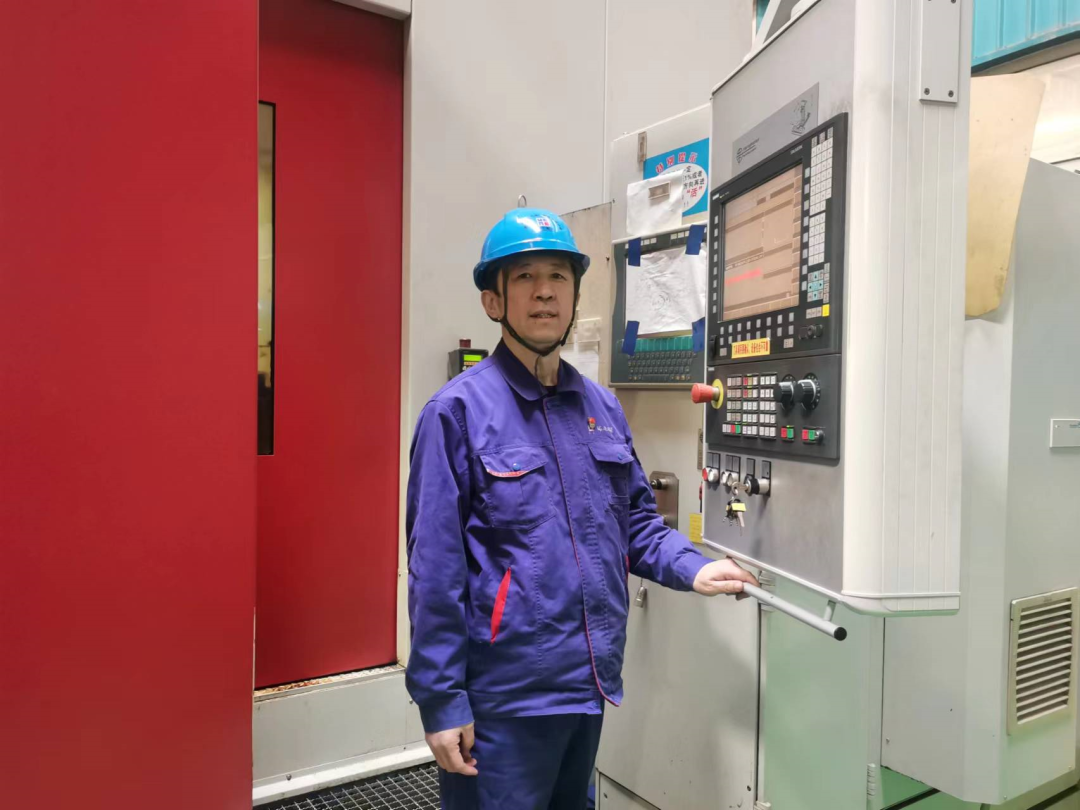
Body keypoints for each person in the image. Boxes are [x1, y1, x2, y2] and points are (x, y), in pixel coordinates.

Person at [405, 208, 758, 809]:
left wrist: (694, 567)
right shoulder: (455, 414)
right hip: (503, 699)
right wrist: (442, 703)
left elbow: (635, 522)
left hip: (588, 684)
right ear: (493, 301)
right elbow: (435, 571)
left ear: (573, 296)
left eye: (558, 277)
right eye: (524, 277)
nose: (544, 291)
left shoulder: (601, 407)